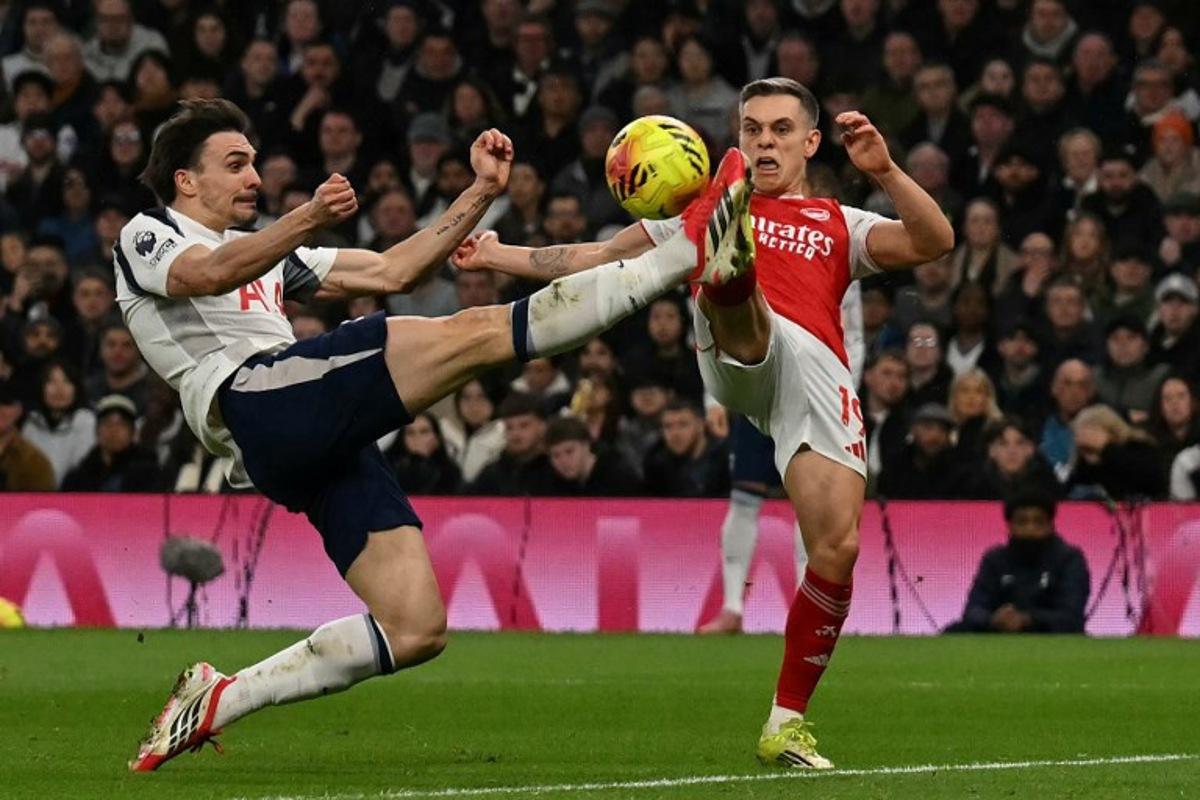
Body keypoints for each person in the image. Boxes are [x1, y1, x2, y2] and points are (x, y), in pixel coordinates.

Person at [123, 98, 753, 771]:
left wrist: (479, 192)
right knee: (476, 335)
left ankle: (218, 698)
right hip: (256, 399)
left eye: (252, 163)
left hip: (298, 440)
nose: (254, 177)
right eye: (236, 164)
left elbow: (397, 271)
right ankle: (686, 255)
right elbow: (207, 274)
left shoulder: (271, 256)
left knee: (415, 628)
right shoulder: (149, 231)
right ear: (187, 180)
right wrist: (307, 214)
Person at [456, 77, 954, 767]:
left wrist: (887, 171)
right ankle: (728, 273)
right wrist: (495, 255)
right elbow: (594, 257)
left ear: (811, 142)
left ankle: (786, 723)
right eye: (751, 130)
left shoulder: (842, 222)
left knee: (836, 548)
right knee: (743, 314)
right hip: (743, 343)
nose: (764, 141)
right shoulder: (690, 209)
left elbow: (935, 240)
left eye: (781, 130)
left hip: (816, 378)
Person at [945, 489, 1088, 634]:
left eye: (1038, 522)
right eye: (1022, 522)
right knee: (953, 631)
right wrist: (994, 619)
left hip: (1049, 636)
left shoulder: (1070, 559)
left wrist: (1026, 619)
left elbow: (1071, 615)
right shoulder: (994, 559)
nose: (1030, 529)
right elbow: (973, 610)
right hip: (999, 635)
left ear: (1051, 525)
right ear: (1009, 525)